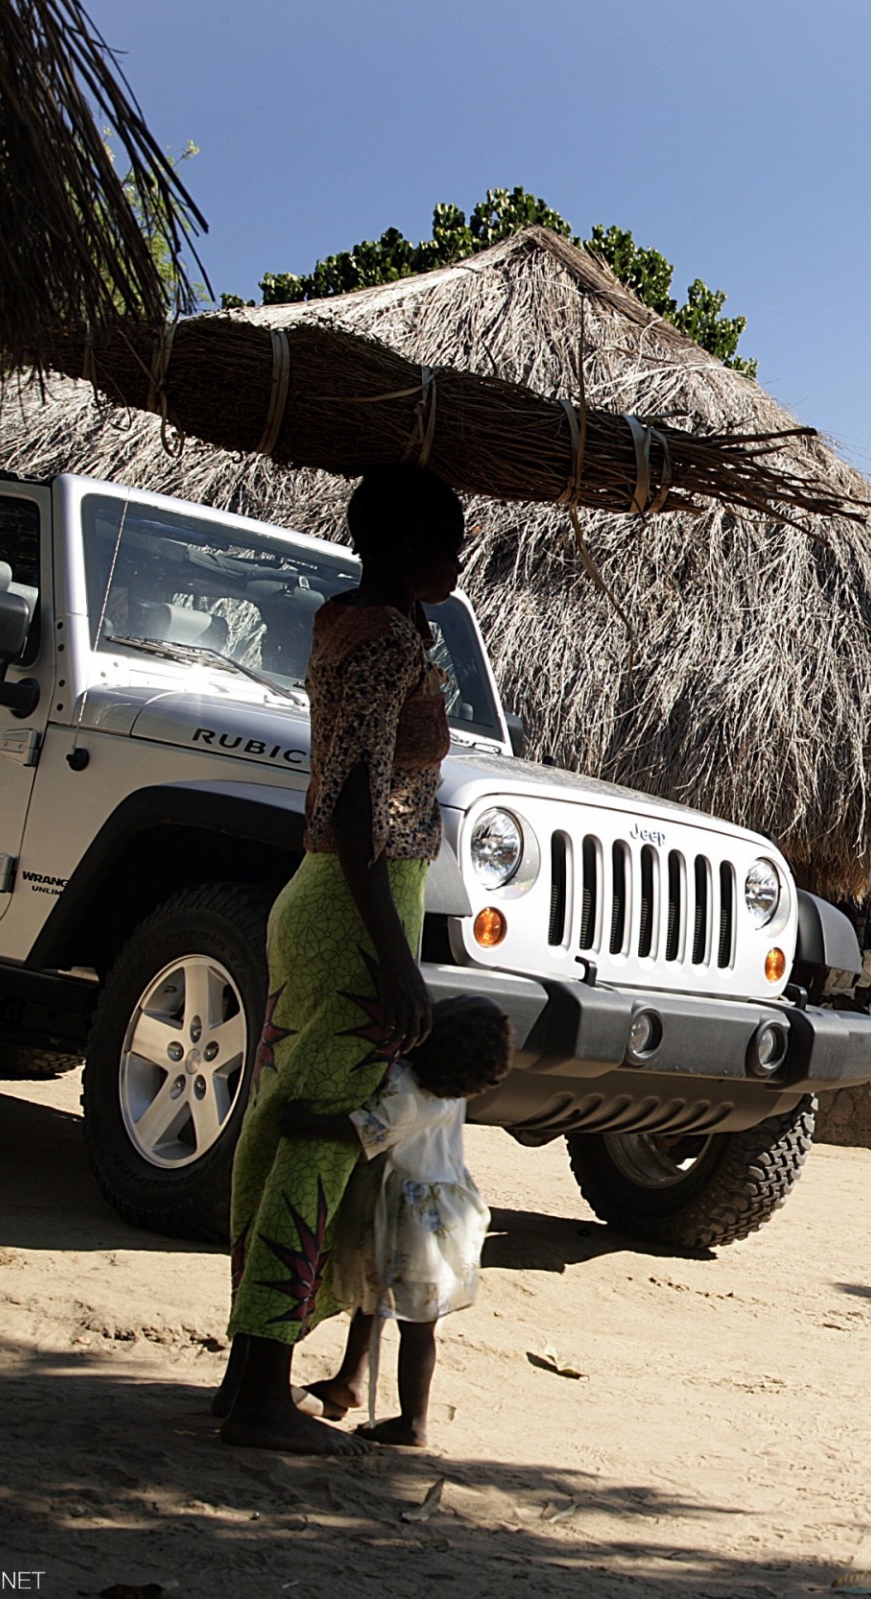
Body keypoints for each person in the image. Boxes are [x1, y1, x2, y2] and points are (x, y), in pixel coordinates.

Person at [213, 465, 465, 1455]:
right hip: (357, 909)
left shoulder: (352, 623)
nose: (459, 561)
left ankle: (247, 1372)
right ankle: (260, 1388)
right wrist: (396, 960)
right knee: (317, 1144)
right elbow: (359, 794)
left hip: (332, 897)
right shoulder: (386, 639)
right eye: (447, 542)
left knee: (284, 1128)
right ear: (403, 543)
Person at [293, 996, 512, 1444]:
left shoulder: (404, 1089)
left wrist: (303, 1122)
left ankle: (413, 1423)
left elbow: (362, 1133)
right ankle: (351, 1381)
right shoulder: (452, 1092)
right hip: (450, 1212)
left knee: (412, 1324)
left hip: (407, 1221)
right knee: (379, 1301)